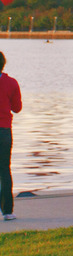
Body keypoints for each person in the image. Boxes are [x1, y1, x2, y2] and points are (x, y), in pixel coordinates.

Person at [0, 52, 21, 221]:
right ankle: (7, 211)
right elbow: (17, 108)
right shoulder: (11, 83)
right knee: (4, 170)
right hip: (4, 130)